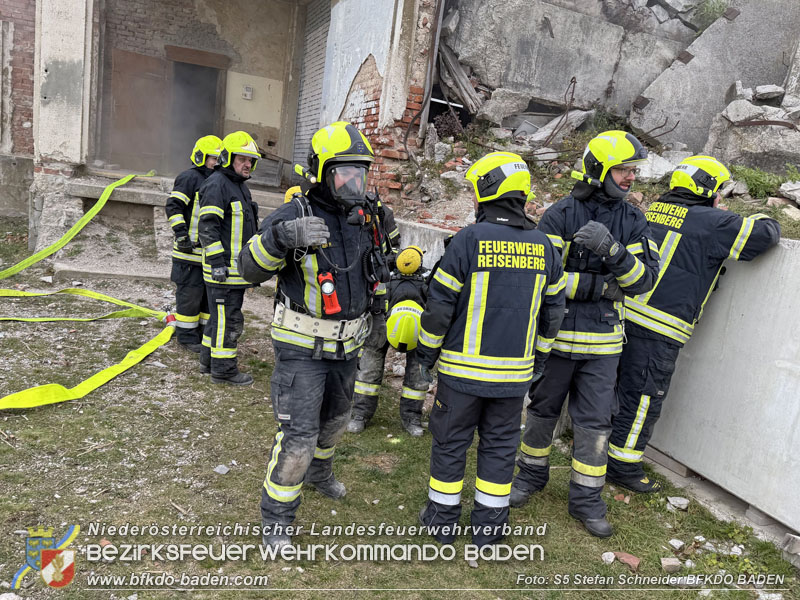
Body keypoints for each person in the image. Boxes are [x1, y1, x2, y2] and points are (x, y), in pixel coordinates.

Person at [237, 121, 392, 548]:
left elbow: (376, 271)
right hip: (302, 350)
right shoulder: (294, 214)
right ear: (321, 172)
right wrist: (280, 238)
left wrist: (380, 314)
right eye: (344, 172)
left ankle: (320, 475)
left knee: (336, 423)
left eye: (360, 172)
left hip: (348, 346)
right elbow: (246, 270)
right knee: (299, 437)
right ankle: (277, 517)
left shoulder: (367, 218)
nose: (354, 182)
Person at [510, 130, 660, 538]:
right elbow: (546, 279)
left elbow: (643, 281)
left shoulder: (634, 220)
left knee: (595, 424)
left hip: (603, 346)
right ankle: (529, 477)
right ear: (598, 170)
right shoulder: (560, 214)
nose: (631, 178)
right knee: (542, 412)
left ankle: (586, 500)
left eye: (633, 170)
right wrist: (603, 286)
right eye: (623, 169)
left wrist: (612, 251)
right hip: (557, 341)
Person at [416, 151, 566, 548]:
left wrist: (426, 356)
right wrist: (540, 360)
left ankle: (442, 521)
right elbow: (553, 315)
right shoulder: (546, 247)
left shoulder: (468, 239)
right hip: (514, 379)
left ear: (487, 190)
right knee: (500, 450)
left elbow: (439, 307)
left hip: (461, 375)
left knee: (450, 443)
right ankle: (488, 530)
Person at [607, 155, 781, 492]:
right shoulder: (715, 223)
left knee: (610, 387)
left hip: (620, 314)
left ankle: (596, 447)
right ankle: (622, 466)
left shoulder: (652, 210)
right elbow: (764, 235)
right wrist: (758, 213)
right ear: (709, 191)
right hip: (659, 328)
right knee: (642, 397)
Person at [197, 131, 261, 385]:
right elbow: (208, 226)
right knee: (229, 320)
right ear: (227, 158)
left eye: (251, 160)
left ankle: (208, 361)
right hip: (223, 271)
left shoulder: (238, 186)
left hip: (234, 272)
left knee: (218, 317)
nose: (247, 164)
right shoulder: (218, 184)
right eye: (242, 158)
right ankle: (223, 371)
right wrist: (217, 264)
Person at [347, 245, 430, 437]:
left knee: (412, 374)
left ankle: (407, 417)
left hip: (413, 328)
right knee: (369, 370)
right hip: (381, 324)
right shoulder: (385, 273)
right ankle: (361, 414)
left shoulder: (425, 279)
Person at [164, 135, 222, 352]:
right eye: (212, 158)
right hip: (188, 254)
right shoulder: (189, 178)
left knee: (207, 297)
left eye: (219, 159)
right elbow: (174, 206)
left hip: (208, 255)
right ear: (200, 157)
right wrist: (181, 234)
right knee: (190, 295)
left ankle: (203, 334)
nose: (216, 163)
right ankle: (187, 337)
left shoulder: (217, 182)